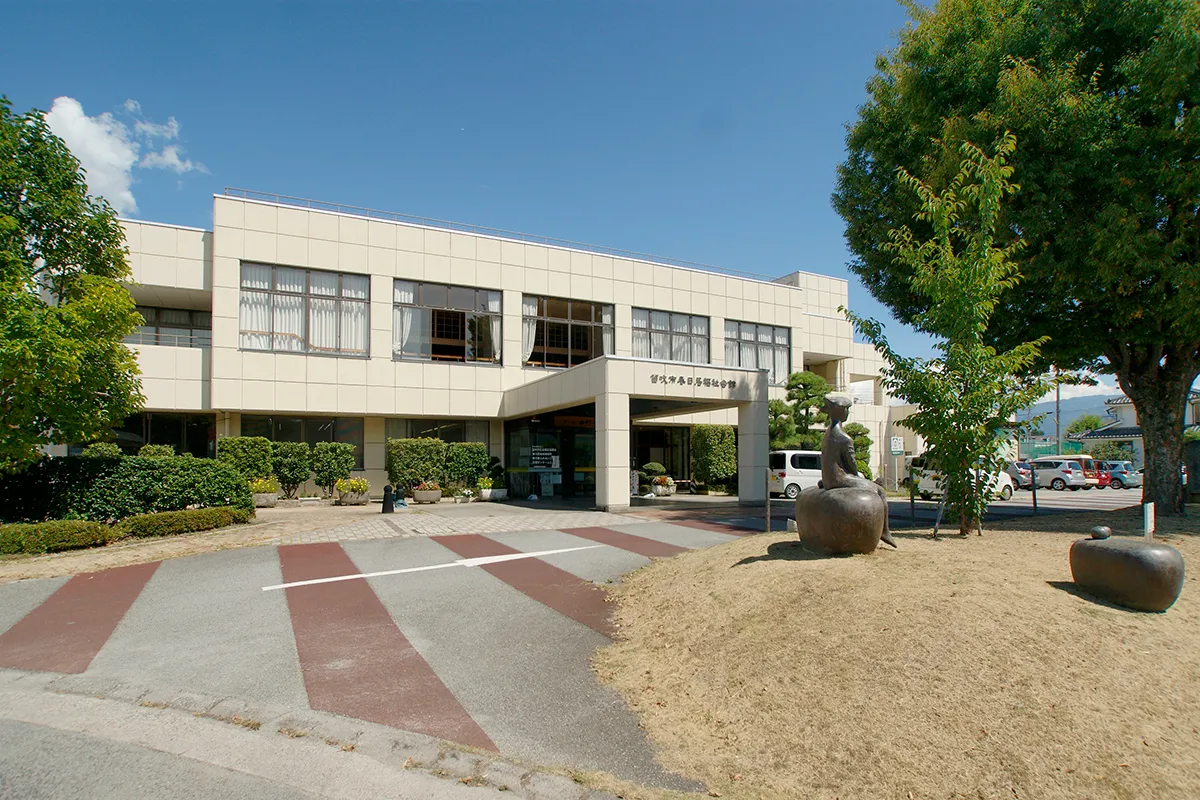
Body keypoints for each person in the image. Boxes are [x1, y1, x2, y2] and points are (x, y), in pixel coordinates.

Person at [820, 393, 897, 548]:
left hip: (828, 478)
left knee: (869, 484)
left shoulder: (828, 433)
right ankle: (885, 531)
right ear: (842, 412)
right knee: (880, 490)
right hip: (840, 478)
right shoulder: (844, 438)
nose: (848, 413)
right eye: (846, 410)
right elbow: (852, 465)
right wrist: (860, 479)